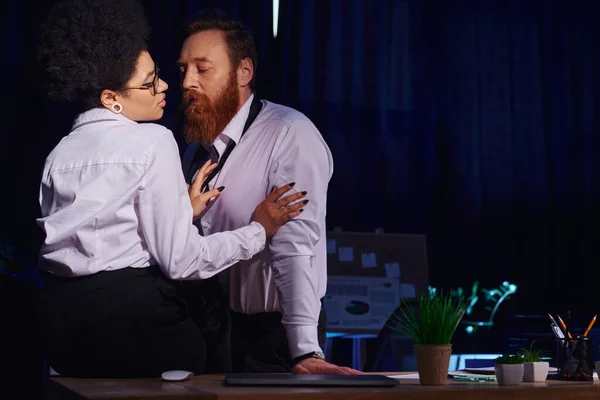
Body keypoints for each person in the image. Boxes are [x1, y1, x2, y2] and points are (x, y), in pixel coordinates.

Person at [35, 0, 307, 379]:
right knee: (207, 349)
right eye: (149, 83)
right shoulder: (154, 140)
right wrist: (258, 231)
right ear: (111, 99)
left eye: (159, 73)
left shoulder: (58, 153)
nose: (167, 85)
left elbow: (99, 228)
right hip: (131, 321)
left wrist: (182, 211)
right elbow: (180, 260)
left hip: (56, 326)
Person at [179, 10, 361, 375]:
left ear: (243, 72)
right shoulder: (197, 148)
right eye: (183, 69)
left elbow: (295, 245)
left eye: (202, 68)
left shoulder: (289, 133)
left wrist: (303, 350)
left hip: (274, 337)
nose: (187, 82)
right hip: (214, 330)